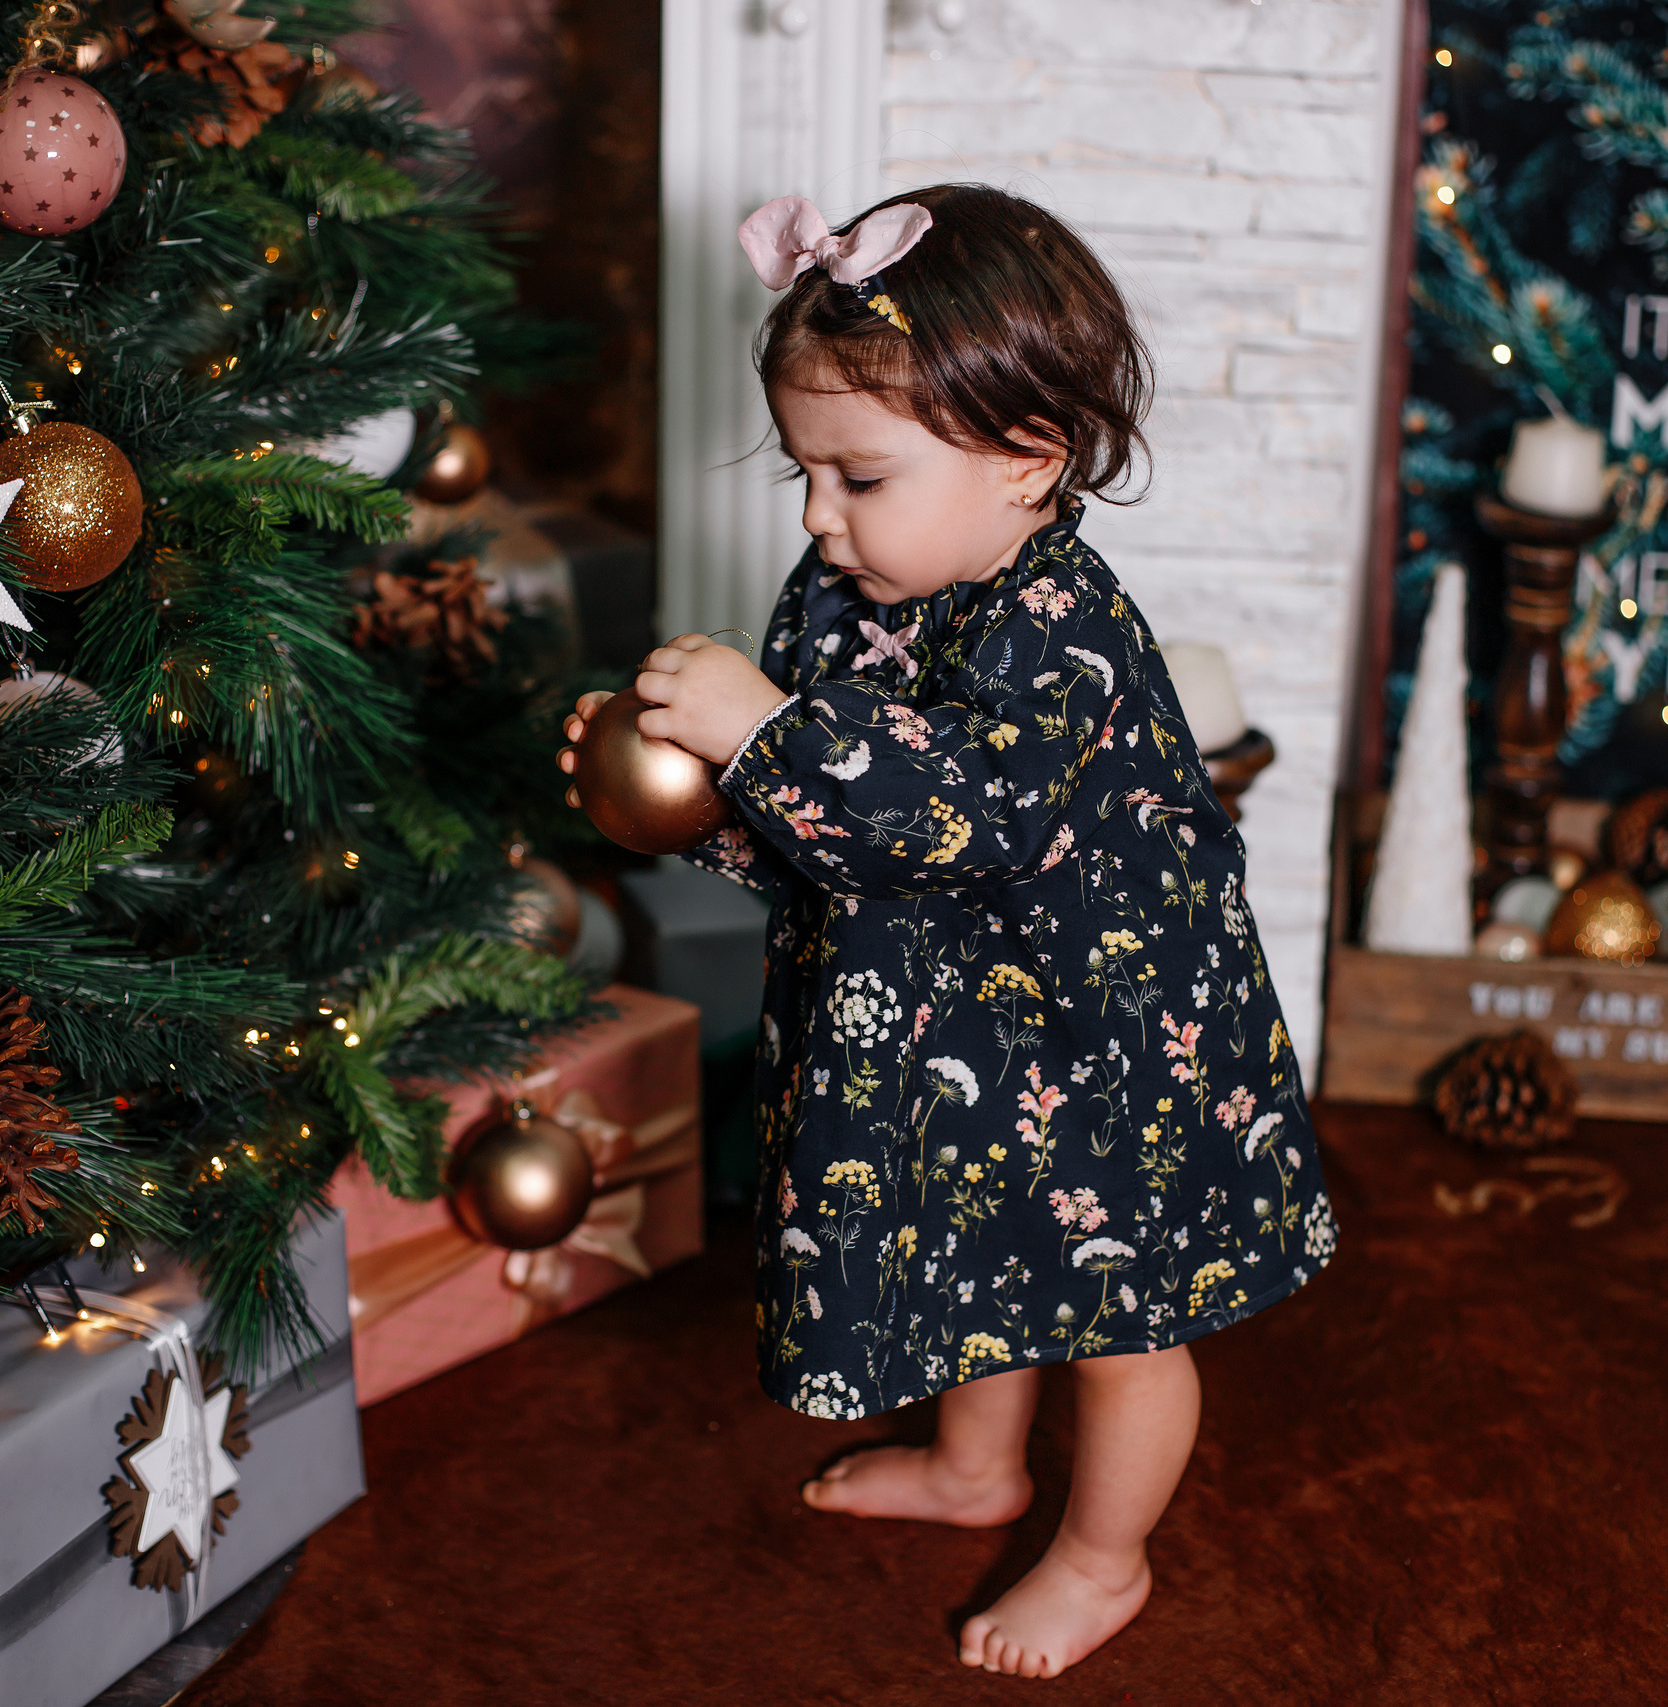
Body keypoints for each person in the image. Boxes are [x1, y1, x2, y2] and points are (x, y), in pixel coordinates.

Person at [558, 183, 1334, 1679]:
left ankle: (1106, 1561)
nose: (813, 515)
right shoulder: (844, 597)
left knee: (1113, 1316)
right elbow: (831, 846)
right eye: (802, 472)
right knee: (974, 1261)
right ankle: (981, 1472)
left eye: (857, 477)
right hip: (946, 1030)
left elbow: (961, 817)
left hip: (1103, 1050)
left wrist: (768, 731)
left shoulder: (1065, 631)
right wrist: (677, 797)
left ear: (1029, 462)